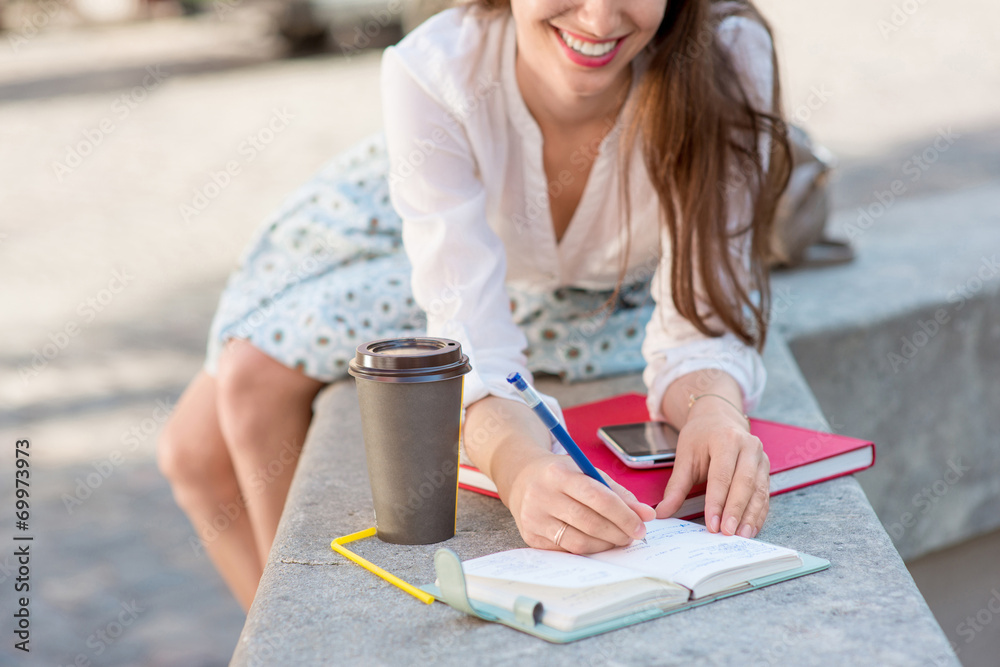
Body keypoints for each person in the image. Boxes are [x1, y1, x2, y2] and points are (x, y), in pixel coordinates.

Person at [158, 0, 791, 611]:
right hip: (400, 207)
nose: (598, 18)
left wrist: (715, 410)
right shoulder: (435, 70)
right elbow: (472, 343)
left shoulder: (726, 53)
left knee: (221, 414)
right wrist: (521, 473)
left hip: (577, 266)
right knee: (194, 452)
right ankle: (292, 632)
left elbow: (705, 320)